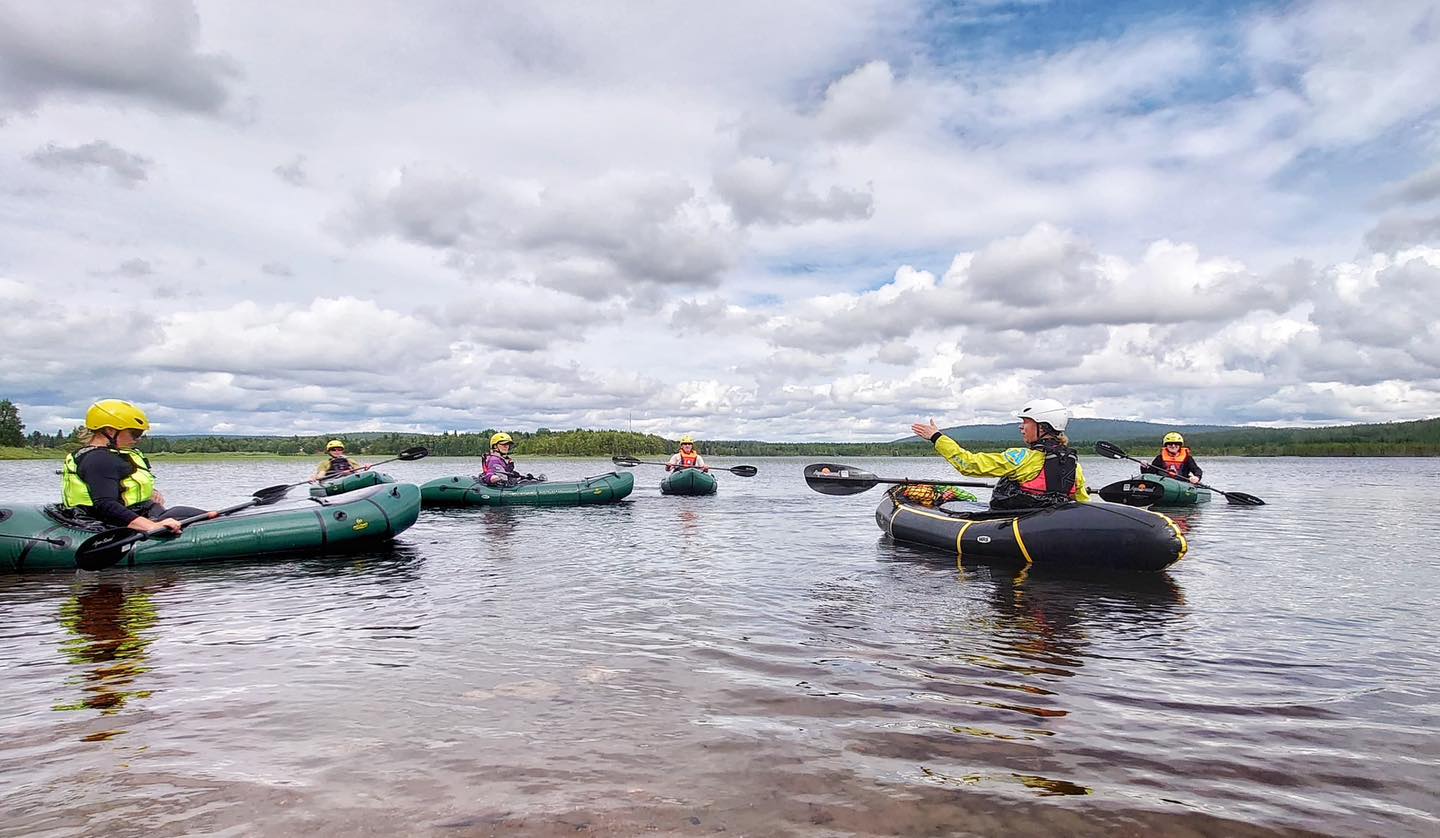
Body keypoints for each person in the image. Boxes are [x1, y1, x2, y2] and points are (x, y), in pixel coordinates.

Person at [60, 399, 210, 534]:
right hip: (111, 524)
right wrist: (151, 526)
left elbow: (119, 486)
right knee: (197, 515)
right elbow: (105, 504)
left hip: (143, 512)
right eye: (135, 433)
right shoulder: (98, 459)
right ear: (110, 430)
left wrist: (150, 491)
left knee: (207, 515)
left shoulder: (113, 455)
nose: (138, 439)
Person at [910, 398, 1091, 510]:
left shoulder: (1021, 459)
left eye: (1026, 422)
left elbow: (968, 465)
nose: (1021, 427)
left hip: (1018, 524)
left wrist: (936, 437)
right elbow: (1082, 503)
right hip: (1050, 525)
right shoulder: (1073, 464)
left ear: (1042, 427)